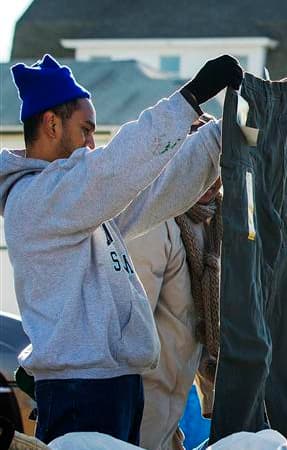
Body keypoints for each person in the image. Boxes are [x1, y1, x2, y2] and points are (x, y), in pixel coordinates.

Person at [0, 54, 242, 444]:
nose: (92, 145)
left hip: (109, 385)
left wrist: (224, 135)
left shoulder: (78, 199)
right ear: (51, 123)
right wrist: (189, 99)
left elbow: (157, 191)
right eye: (86, 130)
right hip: (80, 390)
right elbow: (115, 168)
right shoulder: (38, 199)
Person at [128, 115, 222, 450]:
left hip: (174, 401)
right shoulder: (155, 222)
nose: (210, 178)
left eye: (217, 166)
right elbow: (131, 322)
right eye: (200, 164)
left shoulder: (214, 224)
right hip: (143, 397)